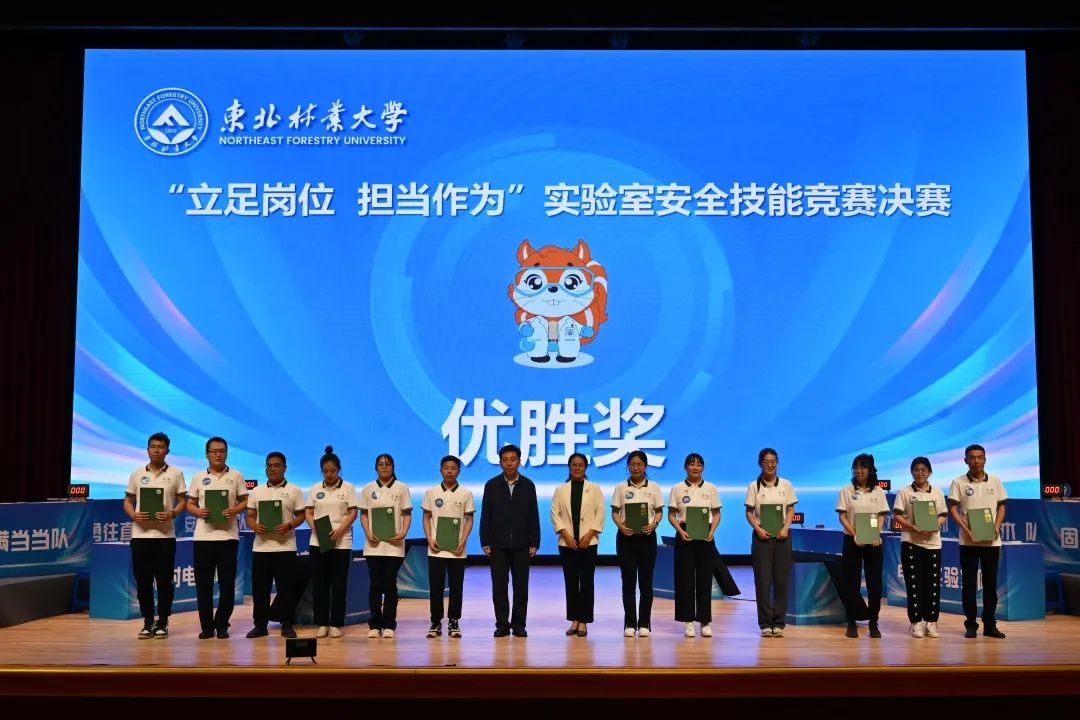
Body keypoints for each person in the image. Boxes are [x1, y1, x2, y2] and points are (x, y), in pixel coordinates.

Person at [123, 432, 187, 639]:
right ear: (147, 449)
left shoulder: (176, 473)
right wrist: (134, 515)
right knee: (143, 582)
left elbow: (183, 500)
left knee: (164, 581)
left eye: (161, 447)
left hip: (165, 537)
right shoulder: (137, 473)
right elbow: (128, 500)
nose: (156, 450)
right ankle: (148, 621)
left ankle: (163, 621)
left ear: (167, 450)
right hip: (140, 536)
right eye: (153, 446)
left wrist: (172, 514)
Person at [186, 436, 247, 639]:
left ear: (226, 453)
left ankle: (222, 624)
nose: (218, 454)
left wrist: (234, 510)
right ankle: (206, 627)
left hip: (228, 537)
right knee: (203, 585)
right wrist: (199, 511)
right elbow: (190, 503)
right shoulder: (198, 477)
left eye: (222, 451)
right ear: (207, 454)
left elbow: (245, 500)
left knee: (227, 585)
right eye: (214, 451)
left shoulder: (236, 475)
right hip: (203, 538)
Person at [479, 444, 541, 637]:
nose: (509, 463)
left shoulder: (528, 485)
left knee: (521, 587)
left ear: (519, 461)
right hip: (497, 545)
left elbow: (534, 515)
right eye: (505, 460)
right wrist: (485, 541)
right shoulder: (491, 485)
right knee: (499, 587)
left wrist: (535, 542)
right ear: (500, 463)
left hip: (522, 544)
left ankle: (519, 624)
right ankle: (502, 624)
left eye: (513, 459)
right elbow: (485, 515)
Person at [948, 444, 1008, 639]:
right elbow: (953, 509)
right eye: (972, 458)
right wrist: (966, 530)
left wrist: (996, 527)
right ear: (965, 460)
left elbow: (1001, 507)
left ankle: (990, 625)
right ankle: (971, 625)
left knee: (990, 585)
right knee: (969, 585)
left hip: (991, 542)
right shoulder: (958, 482)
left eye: (979, 457)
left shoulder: (995, 481)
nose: (976, 461)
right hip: (968, 542)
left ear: (985, 459)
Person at [245, 451, 306, 639]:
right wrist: (254, 526)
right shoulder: (257, 491)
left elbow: (301, 515)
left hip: (285, 547)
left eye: (277, 465)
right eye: (269, 466)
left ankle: (287, 624)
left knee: (286, 589)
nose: (273, 469)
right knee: (260, 590)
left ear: (284, 468)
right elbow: (250, 516)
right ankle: (260, 625)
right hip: (261, 547)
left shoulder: (295, 490)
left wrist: (289, 525)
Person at [610, 450, 664, 637]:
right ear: (628, 466)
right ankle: (630, 623)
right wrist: (621, 526)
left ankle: (644, 623)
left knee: (646, 583)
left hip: (647, 538)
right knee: (628, 582)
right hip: (626, 539)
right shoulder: (620, 487)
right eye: (632, 464)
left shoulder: (654, 487)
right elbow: (615, 512)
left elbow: (659, 511)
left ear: (645, 466)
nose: (636, 467)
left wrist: (654, 524)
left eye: (639, 464)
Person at [744, 447, 797, 638]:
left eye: (773, 461)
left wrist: (785, 528)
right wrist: (758, 529)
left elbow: (790, 510)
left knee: (781, 581)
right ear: (760, 463)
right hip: (762, 538)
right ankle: (766, 623)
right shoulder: (753, 486)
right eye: (766, 462)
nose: (770, 465)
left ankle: (779, 623)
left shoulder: (786, 484)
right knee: (763, 581)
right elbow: (749, 512)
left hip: (782, 537)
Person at [305, 445, 357, 639]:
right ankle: (321, 623)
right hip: (318, 542)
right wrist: (315, 528)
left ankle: (336, 623)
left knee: (339, 584)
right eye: (326, 471)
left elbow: (353, 512)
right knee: (319, 584)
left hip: (342, 542)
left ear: (339, 470)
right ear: (321, 471)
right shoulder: (314, 489)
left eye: (333, 471)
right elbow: (309, 512)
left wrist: (340, 530)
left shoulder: (348, 488)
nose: (329, 475)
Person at [892, 456, 947, 639]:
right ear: (911, 472)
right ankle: (916, 622)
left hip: (932, 543)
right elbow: (897, 515)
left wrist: (935, 525)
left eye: (923, 470)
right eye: (916, 470)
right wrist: (911, 526)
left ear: (929, 472)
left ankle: (931, 622)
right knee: (914, 584)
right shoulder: (904, 492)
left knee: (932, 585)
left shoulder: (937, 492)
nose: (920, 473)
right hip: (911, 542)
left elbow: (942, 516)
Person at [667, 452, 721, 638]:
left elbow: (716, 513)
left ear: (703, 468)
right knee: (685, 579)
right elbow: (671, 515)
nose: (695, 467)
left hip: (706, 536)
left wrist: (712, 531)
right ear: (685, 467)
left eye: (699, 464)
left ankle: (704, 621)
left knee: (705, 579)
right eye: (691, 464)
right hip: (685, 535)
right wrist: (680, 531)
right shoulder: (677, 488)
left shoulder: (711, 488)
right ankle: (688, 621)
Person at [551, 452, 605, 637]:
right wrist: (566, 535)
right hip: (567, 544)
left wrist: (589, 535)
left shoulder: (594, 488)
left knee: (587, 582)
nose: (577, 468)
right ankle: (574, 618)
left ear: (585, 467)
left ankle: (584, 620)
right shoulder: (561, 489)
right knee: (571, 583)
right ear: (569, 467)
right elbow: (555, 514)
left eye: (580, 465)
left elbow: (600, 513)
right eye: (574, 464)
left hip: (588, 543)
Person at [836, 453, 890, 639]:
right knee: (851, 584)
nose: (858, 471)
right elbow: (842, 516)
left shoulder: (878, 491)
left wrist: (875, 534)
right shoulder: (846, 490)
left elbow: (881, 516)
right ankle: (851, 623)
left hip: (873, 542)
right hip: (852, 541)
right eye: (856, 467)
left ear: (870, 470)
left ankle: (874, 623)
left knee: (875, 586)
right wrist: (855, 534)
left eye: (863, 467)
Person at [359, 452, 412, 639]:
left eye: (387, 464)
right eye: (381, 464)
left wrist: (403, 533)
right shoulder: (368, 488)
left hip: (394, 546)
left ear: (393, 467)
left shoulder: (401, 488)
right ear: (376, 467)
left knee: (390, 585)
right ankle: (374, 624)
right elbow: (364, 515)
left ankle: (389, 624)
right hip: (373, 545)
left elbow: (407, 514)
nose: (384, 467)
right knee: (374, 585)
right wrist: (368, 533)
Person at [422, 455, 475, 639]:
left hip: (457, 550)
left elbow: (469, 519)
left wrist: (463, 540)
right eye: (446, 468)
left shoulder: (466, 493)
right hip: (436, 549)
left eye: (453, 468)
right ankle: (435, 622)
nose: (449, 471)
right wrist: (429, 539)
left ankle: (454, 621)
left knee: (456, 587)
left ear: (459, 471)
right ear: (441, 471)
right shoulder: (431, 492)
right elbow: (426, 517)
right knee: (436, 587)